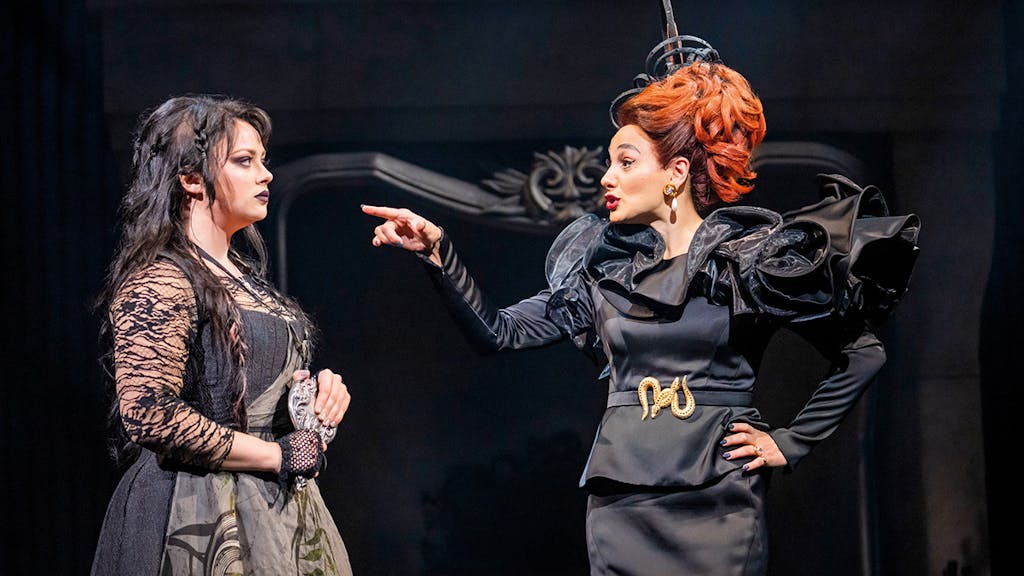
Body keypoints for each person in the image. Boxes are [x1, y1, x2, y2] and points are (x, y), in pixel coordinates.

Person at [362, 47, 920, 574]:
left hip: (719, 503)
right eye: (610, 162)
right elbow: (498, 333)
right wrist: (437, 253)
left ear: (675, 174)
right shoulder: (604, 274)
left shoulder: (747, 265)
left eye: (625, 161)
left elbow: (862, 352)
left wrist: (789, 442)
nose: (607, 177)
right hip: (622, 504)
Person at [92, 95, 353, 575]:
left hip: (277, 512)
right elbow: (149, 414)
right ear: (191, 178)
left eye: (263, 161)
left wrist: (315, 399)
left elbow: (260, 388)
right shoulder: (161, 278)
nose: (266, 175)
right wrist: (276, 455)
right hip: (194, 510)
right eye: (244, 161)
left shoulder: (246, 280)